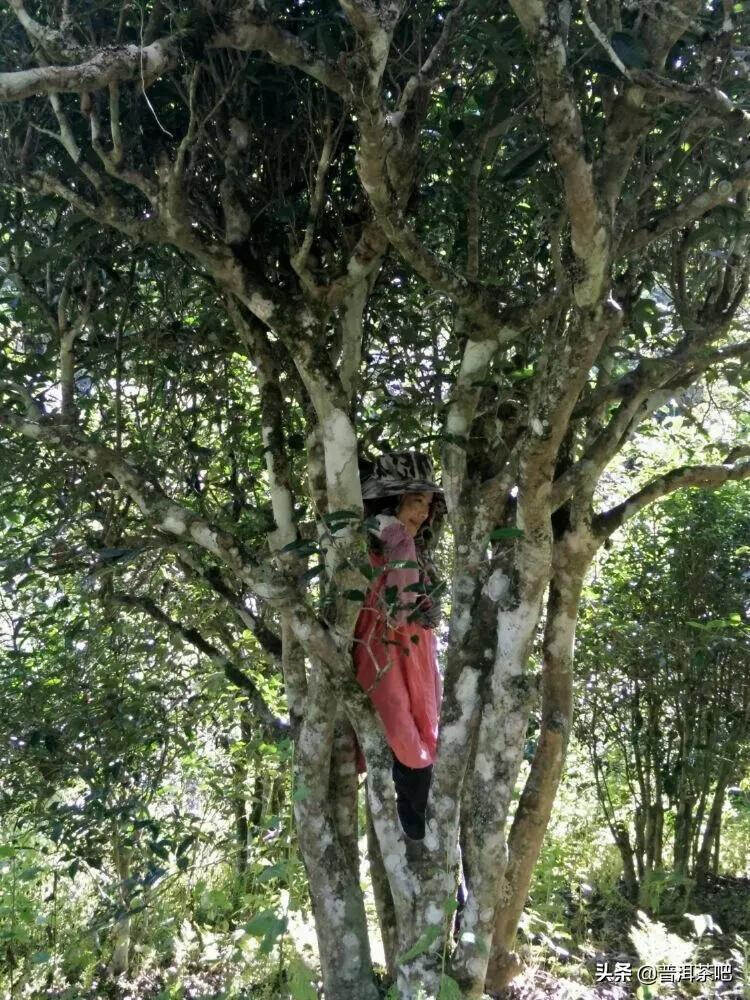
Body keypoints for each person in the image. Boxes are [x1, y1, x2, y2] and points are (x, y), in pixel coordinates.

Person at [354, 451, 445, 842]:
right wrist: (397, 539)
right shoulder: (375, 552)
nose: (422, 513)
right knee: (409, 753)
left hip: (418, 668)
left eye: (427, 504)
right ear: (392, 504)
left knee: (426, 753)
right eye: (414, 501)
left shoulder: (413, 554)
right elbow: (398, 608)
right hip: (387, 663)